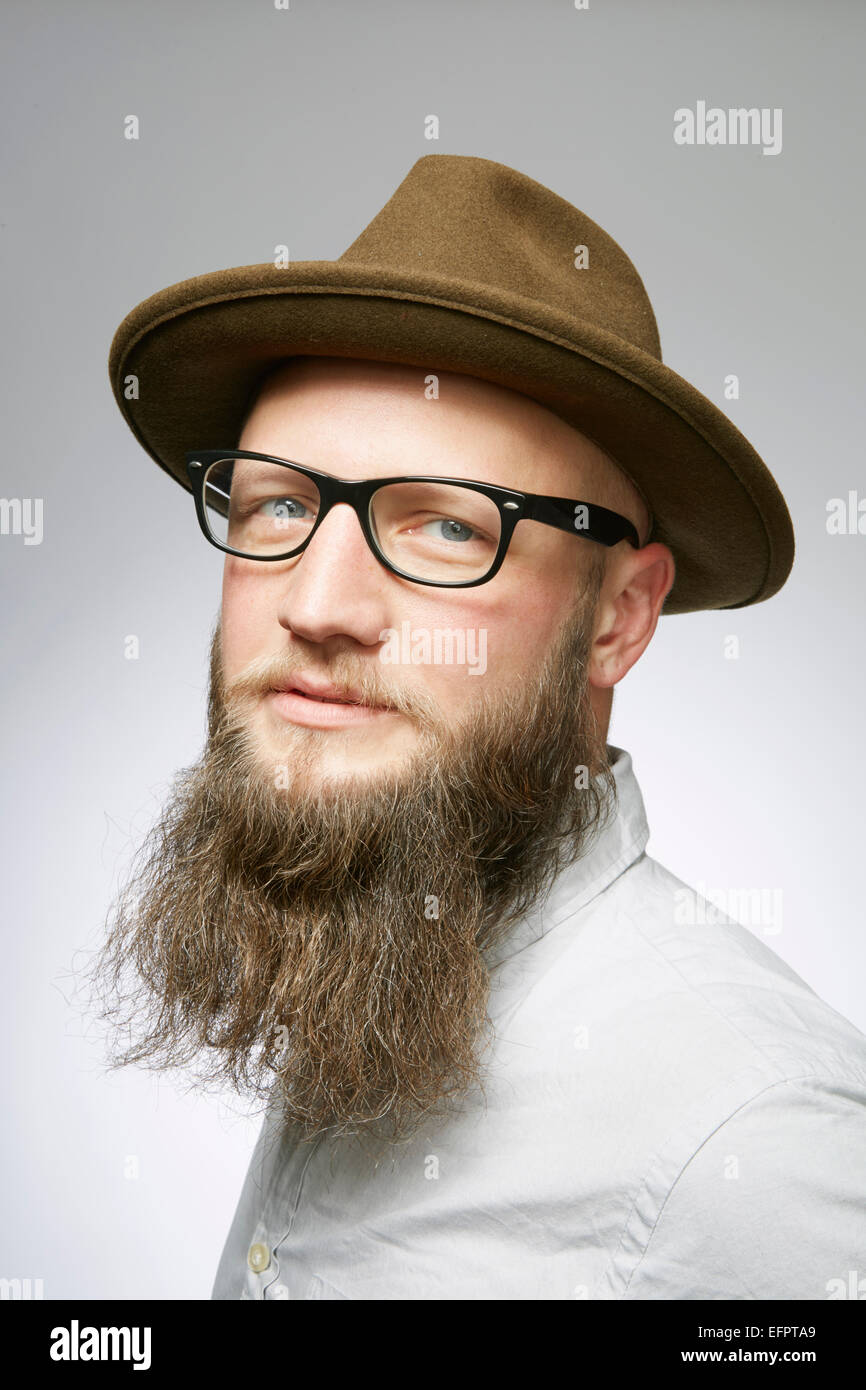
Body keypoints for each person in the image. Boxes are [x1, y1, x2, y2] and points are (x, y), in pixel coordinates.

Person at [94, 154, 866, 1300]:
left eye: (448, 529)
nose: (314, 604)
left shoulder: (751, 1144)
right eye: (283, 505)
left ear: (617, 617)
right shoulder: (385, 940)